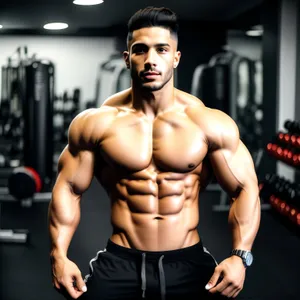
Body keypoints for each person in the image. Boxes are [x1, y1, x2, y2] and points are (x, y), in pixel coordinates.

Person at [48, 6, 261, 300]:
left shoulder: (208, 123)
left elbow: (244, 188)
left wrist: (241, 255)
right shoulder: (96, 123)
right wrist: (59, 254)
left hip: (189, 263)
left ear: (176, 57)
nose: (150, 60)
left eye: (162, 50)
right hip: (120, 260)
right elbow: (69, 188)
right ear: (127, 59)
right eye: (140, 50)